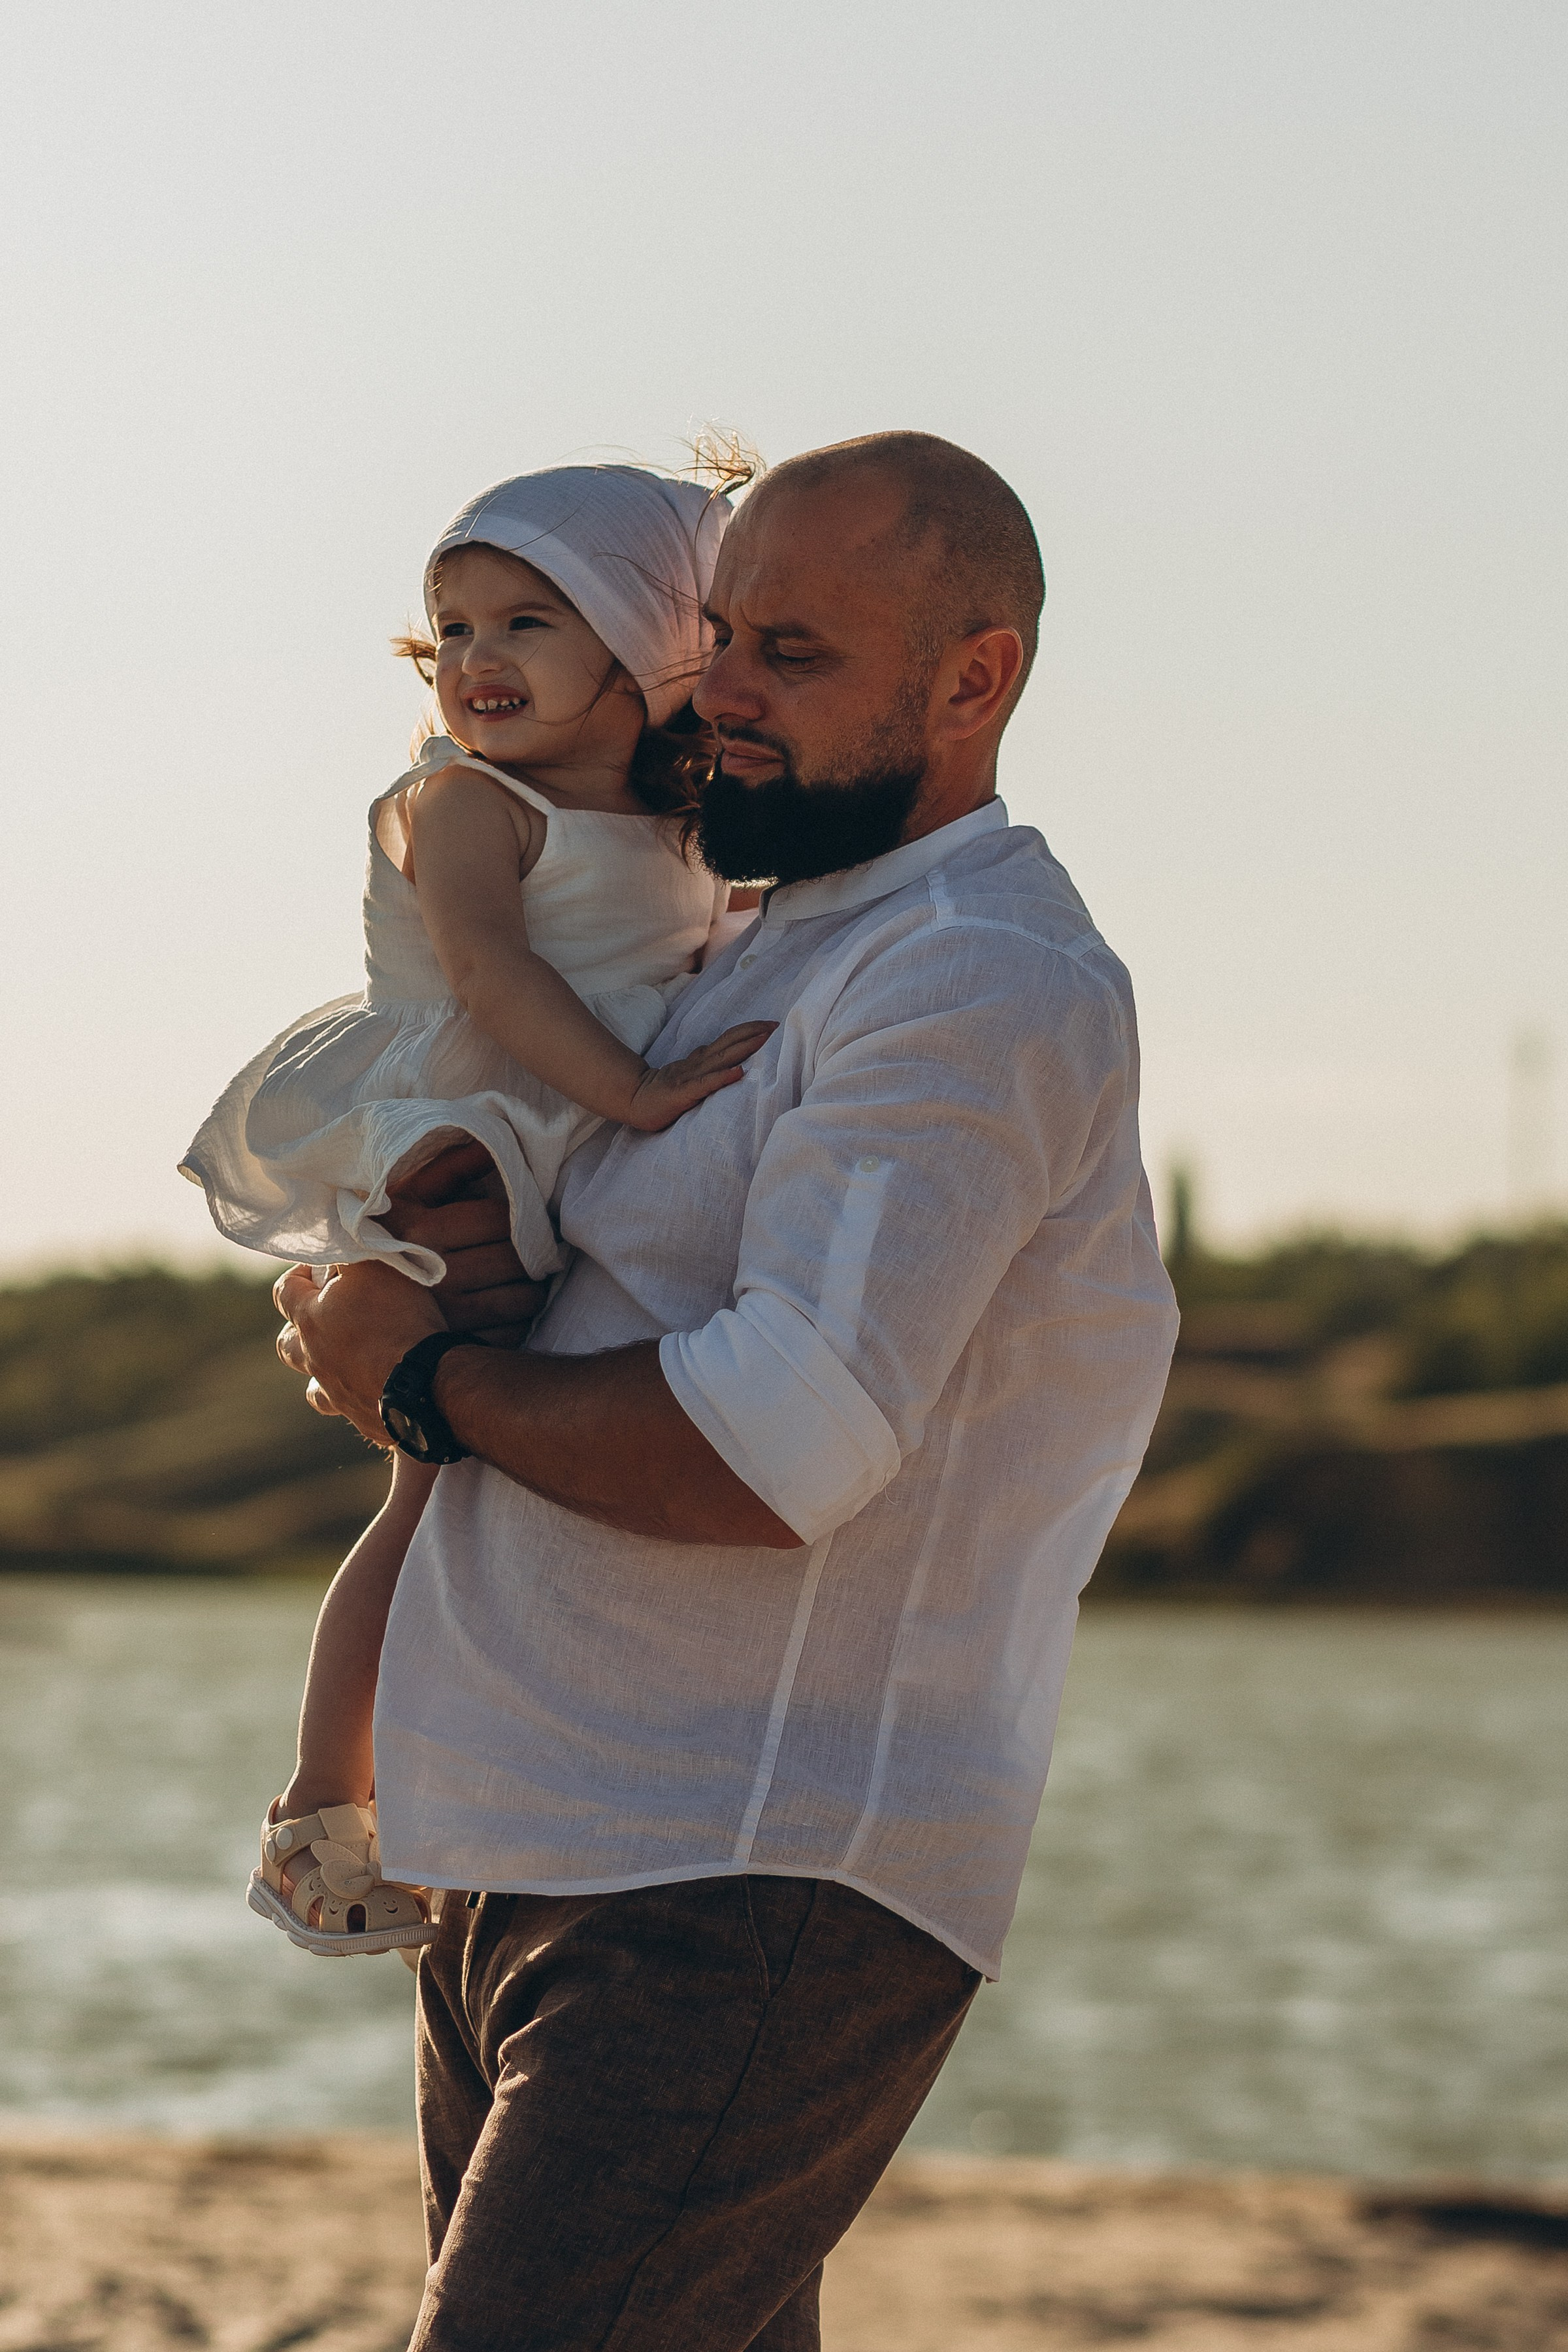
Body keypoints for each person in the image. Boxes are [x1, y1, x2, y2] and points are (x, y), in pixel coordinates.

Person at [274, 431, 1180, 2351]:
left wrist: (424, 1380)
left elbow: (777, 1450)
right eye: (721, 639)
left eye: (799, 654)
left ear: (973, 680)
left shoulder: (972, 974)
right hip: (525, 1857)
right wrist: (430, 1272)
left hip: (737, 1876)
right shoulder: (727, 947)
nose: (727, 693)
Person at [180, 463, 770, 1953]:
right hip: (471, 1123)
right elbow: (500, 984)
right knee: (430, 1483)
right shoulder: (467, 805)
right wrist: (638, 1099)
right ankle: (321, 1808)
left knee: (476, 1487)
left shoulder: (692, 828)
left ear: (654, 651)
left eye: (528, 621)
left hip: (568, 1146)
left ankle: (452, 1789)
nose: (477, 659)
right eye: (452, 629)